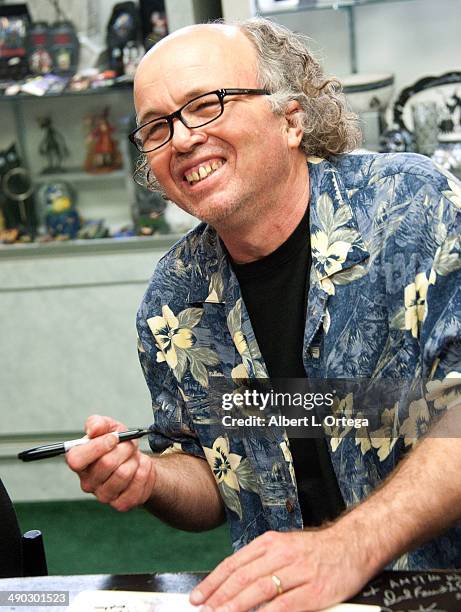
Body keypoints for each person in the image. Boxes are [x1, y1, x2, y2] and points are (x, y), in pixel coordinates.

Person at [66, 17, 461, 612]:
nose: (181, 138)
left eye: (206, 104)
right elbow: (210, 470)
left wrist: (348, 546)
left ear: (292, 118)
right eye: (156, 126)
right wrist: (151, 478)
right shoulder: (174, 300)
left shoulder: (410, 207)